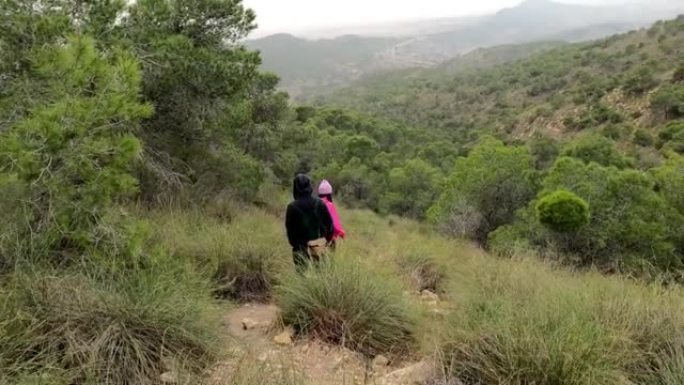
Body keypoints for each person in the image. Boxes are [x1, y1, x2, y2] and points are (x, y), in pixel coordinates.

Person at [285, 174, 334, 271]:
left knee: (303, 278)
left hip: (300, 249)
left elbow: (290, 232)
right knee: (321, 276)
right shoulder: (320, 203)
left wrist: (297, 245)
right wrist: (325, 241)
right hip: (320, 247)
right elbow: (330, 226)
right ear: (309, 186)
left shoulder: (292, 207)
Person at [317, 180, 346, 246]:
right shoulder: (329, 205)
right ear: (329, 194)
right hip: (328, 239)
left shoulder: (314, 204)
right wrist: (341, 232)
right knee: (328, 256)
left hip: (314, 240)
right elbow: (335, 223)